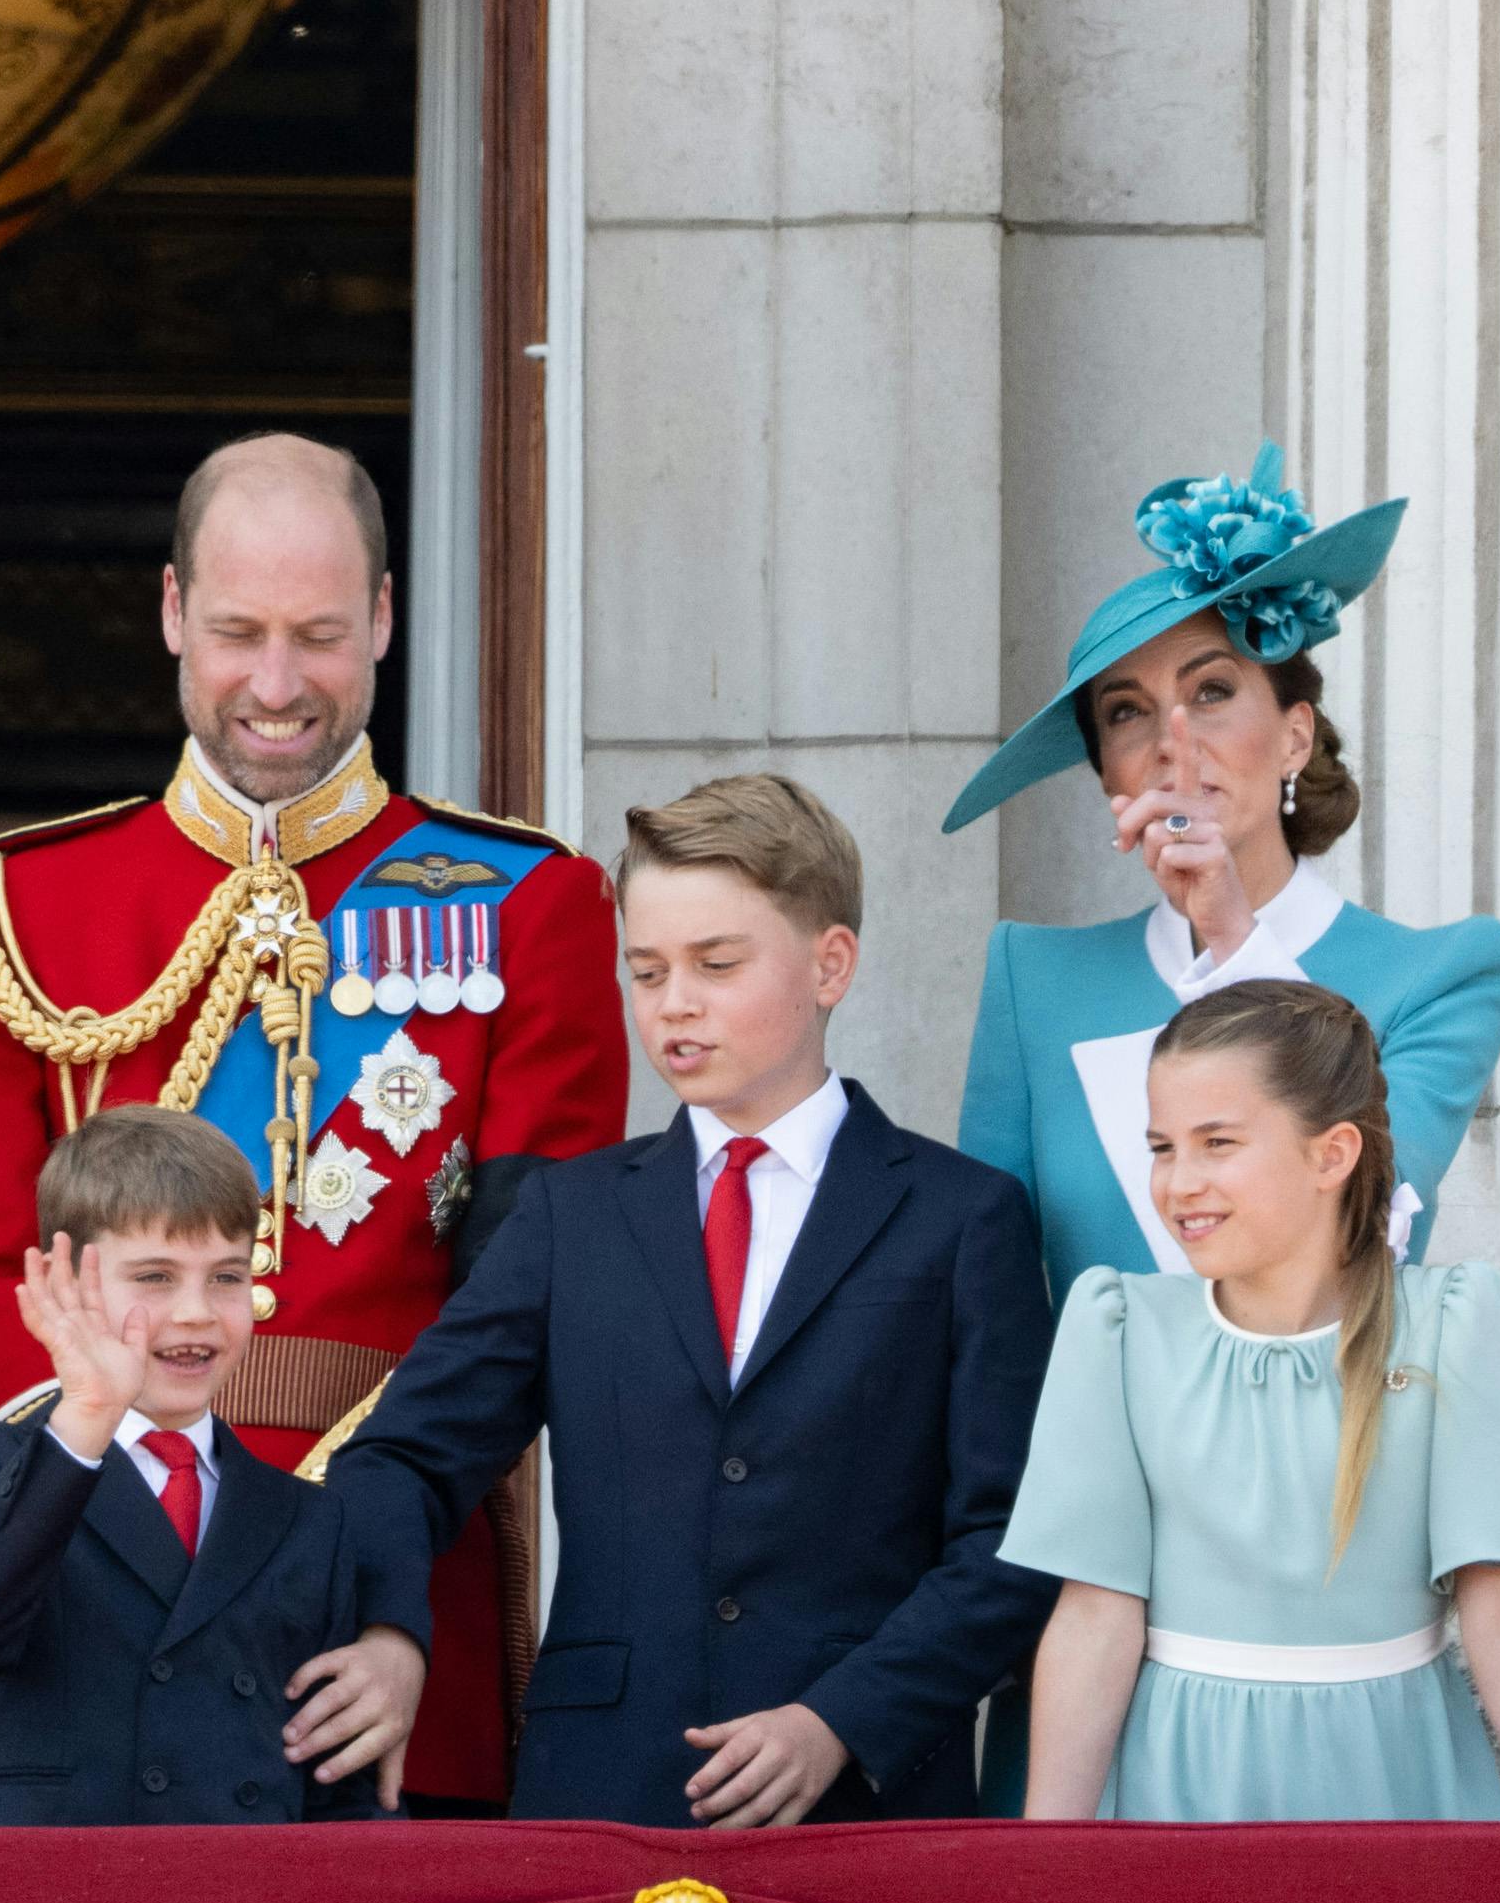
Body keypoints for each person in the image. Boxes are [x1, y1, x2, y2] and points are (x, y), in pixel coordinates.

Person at [0, 432, 627, 1811]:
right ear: (174, 610)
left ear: (388, 620)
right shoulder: (15, 907)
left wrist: (368, 1570)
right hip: (92, 1599)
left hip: (382, 1620)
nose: (278, 686)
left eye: (321, 636)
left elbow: (525, 1303)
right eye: (238, 633)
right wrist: (108, 1517)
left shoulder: (531, 905)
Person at [325, 775, 1056, 1827]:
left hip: (869, 1804)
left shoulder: (962, 1219)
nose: (674, 1002)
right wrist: (392, 1633)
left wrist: (841, 1720)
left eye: (717, 964)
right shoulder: (567, 1218)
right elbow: (402, 1457)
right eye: (647, 969)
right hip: (603, 1793)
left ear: (830, 964)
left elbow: (1009, 1540)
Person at [1007, 980, 1500, 1822]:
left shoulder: (1447, 1325)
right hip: (1181, 1784)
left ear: (1332, 1154)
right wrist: (1046, 1867)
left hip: (1394, 1775)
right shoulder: (1121, 1330)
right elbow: (1097, 1615)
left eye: (1218, 1142)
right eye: (1163, 1147)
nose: (1180, 1183)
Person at [948, 442, 1500, 1304]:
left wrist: (1229, 933)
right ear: (1107, 771)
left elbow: (1368, 1221)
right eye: (1128, 713)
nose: (1171, 740)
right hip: (1097, 1437)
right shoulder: (1035, 981)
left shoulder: (1440, 973)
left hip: (1337, 1433)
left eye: (1211, 691)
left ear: (1295, 735)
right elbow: (983, 1296)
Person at [0, 1108, 424, 1826]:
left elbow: (335, 1787)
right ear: (66, 1280)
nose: (195, 1313)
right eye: (154, 1277)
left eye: (226, 1277)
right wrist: (86, 1416)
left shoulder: (310, 1518)